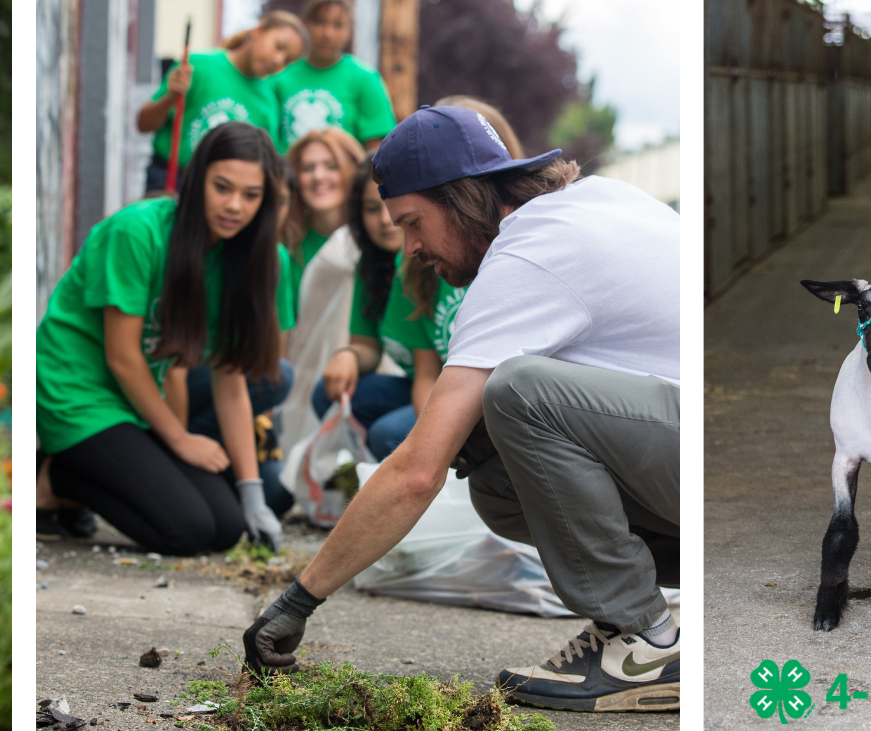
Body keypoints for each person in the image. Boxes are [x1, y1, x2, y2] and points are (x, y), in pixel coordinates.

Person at [242, 105, 683, 713]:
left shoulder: (527, 255)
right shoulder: (592, 200)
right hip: (689, 456)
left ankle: (649, 644)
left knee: (519, 391)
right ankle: (640, 620)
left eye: (414, 222)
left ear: (462, 198)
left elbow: (417, 471)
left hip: (694, 460)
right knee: (494, 468)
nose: (410, 246)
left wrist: (297, 600)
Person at [40, 122, 299, 555]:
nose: (234, 205)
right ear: (198, 180)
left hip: (134, 405)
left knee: (227, 526)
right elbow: (123, 357)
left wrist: (253, 496)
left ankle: (84, 473)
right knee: (188, 530)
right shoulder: (137, 232)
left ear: (267, 199)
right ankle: (59, 473)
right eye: (222, 187)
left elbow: (231, 382)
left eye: (251, 195)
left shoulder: (260, 261)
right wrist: (179, 440)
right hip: (76, 392)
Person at [310, 165, 463, 460]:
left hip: (464, 389)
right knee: (327, 394)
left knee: (388, 434)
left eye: (394, 210)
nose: (385, 220)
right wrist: (350, 354)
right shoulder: (375, 269)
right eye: (371, 209)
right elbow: (375, 348)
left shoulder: (444, 260)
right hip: (424, 384)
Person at [276, 128, 373, 453]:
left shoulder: (374, 237)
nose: (319, 176)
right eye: (308, 168)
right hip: (298, 371)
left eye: (330, 165)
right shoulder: (286, 244)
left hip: (360, 367)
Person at [137, 11, 306, 193]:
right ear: (258, 31)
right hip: (170, 179)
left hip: (225, 191)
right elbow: (143, 124)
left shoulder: (267, 102)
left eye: (288, 60)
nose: (278, 60)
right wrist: (170, 96)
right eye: (279, 46)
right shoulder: (198, 65)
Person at [268, 0, 397, 153]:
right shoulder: (279, 77)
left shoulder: (365, 79)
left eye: (338, 25)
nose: (328, 34)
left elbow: (377, 150)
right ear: (305, 24)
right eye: (320, 22)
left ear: (349, 30)